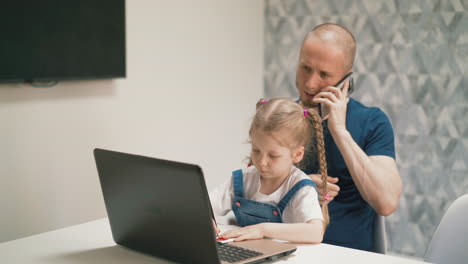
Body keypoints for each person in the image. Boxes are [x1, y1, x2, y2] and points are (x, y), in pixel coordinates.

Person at [295, 23, 402, 251]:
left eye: (324, 74)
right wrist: (295, 186)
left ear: (346, 80)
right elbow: (252, 191)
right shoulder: (281, 119)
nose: (311, 83)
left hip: (347, 254)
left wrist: (340, 132)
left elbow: (387, 202)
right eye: (305, 68)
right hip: (290, 250)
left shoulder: (373, 122)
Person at [210, 98, 328, 243]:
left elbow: (315, 233)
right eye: (256, 150)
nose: (261, 162)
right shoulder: (243, 179)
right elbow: (206, 206)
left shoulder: (301, 187)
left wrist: (262, 229)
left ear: (297, 154)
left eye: (273, 155)